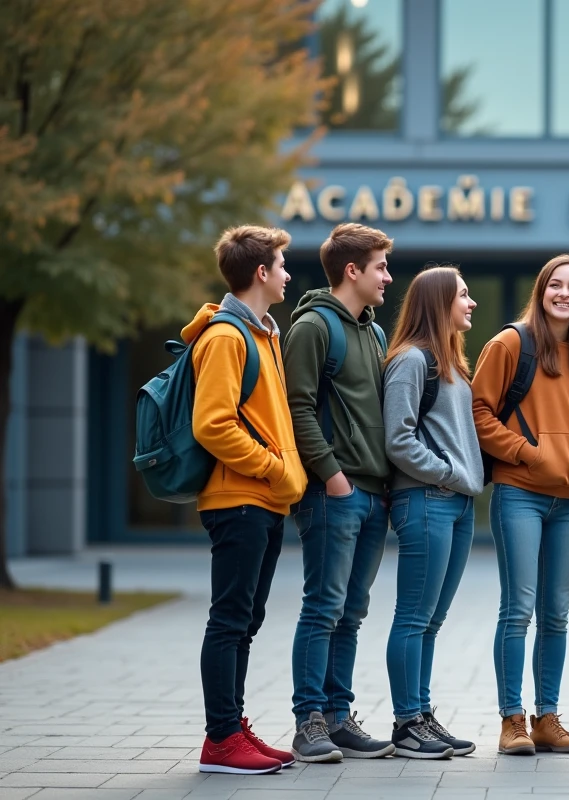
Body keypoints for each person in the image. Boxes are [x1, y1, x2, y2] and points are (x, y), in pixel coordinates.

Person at [472, 255, 569, 756]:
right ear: (541, 290)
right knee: (518, 609)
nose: (565, 294)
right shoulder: (511, 343)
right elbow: (480, 410)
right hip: (519, 494)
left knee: (557, 614)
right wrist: (526, 454)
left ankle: (547, 718)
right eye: (556, 285)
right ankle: (512, 721)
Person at [190, 226, 306, 774]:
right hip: (239, 498)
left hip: (263, 500)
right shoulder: (226, 338)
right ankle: (220, 740)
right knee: (230, 618)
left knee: (247, 617)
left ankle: (233, 728)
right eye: (281, 265)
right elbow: (213, 424)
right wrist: (273, 467)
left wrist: (280, 477)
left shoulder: (263, 335)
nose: (287, 273)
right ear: (261, 272)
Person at [283, 223, 396, 762]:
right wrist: (331, 476)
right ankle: (308, 722)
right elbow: (297, 407)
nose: (388, 278)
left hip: (373, 493)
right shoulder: (312, 327)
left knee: (351, 611)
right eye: (380, 267)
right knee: (323, 607)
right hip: (334, 492)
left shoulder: (373, 333)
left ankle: (337, 715)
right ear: (352, 270)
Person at [383, 265, 483, 759]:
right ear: (439, 301)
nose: (471, 303)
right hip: (427, 500)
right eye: (463, 295)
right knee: (414, 616)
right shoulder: (411, 361)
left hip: (456, 503)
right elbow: (397, 438)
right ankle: (406, 725)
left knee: (432, 620)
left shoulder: (450, 363)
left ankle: (421, 714)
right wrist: (445, 472)